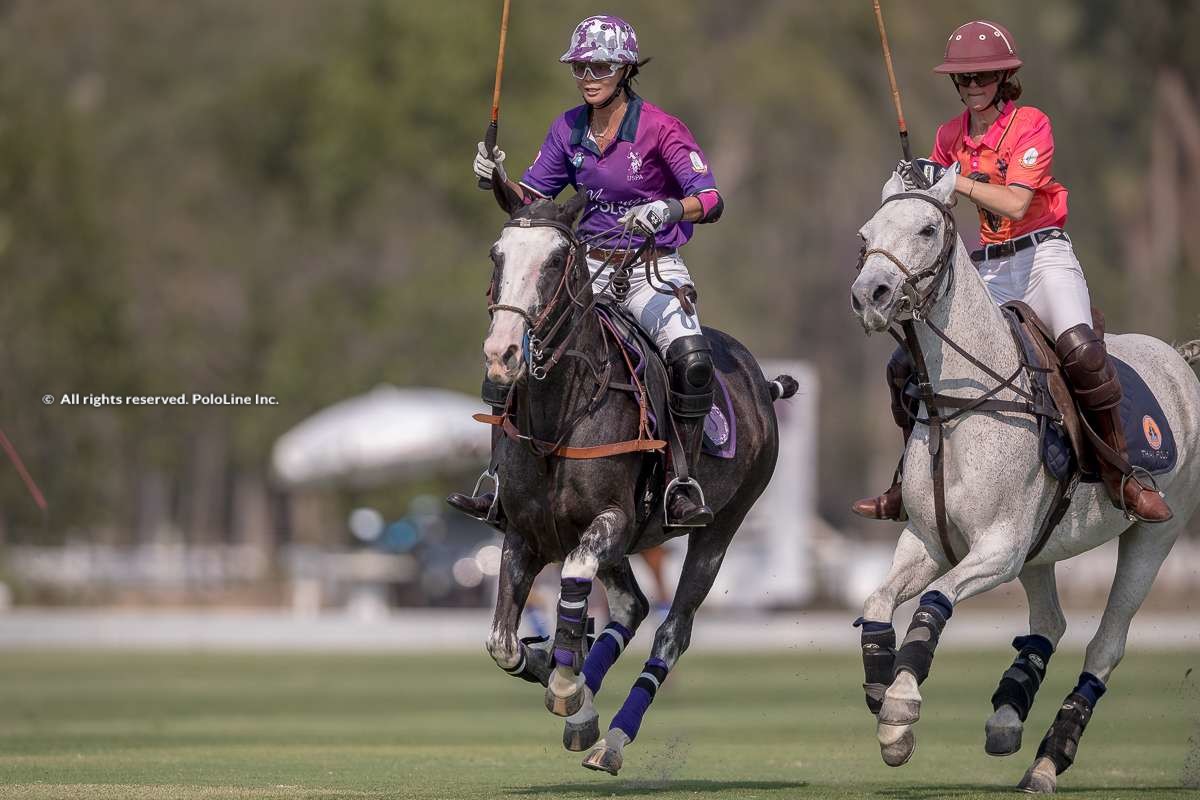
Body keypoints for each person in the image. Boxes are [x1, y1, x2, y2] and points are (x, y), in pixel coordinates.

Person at [852, 19, 1171, 523]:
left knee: (1082, 352)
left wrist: (954, 178)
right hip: (987, 267)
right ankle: (907, 484)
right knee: (906, 362)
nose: (973, 87)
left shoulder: (1030, 125)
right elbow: (933, 207)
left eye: (984, 77)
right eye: (964, 79)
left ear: (1004, 78)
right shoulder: (948, 135)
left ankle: (1121, 476)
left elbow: (1018, 203)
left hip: (1042, 258)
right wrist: (915, 184)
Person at [448, 15, 725, 527]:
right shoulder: (567, 128)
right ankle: (498, 480)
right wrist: (498, 179)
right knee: (509, 351)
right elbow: (531, 205)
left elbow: (710, 198)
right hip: (585, 272)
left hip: (649, 269)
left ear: (624, 68)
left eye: (598, 65)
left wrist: (668, 209)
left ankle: (680, 482)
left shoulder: (661, 129)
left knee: (690, 360)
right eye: (580, 66)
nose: (588, 75)